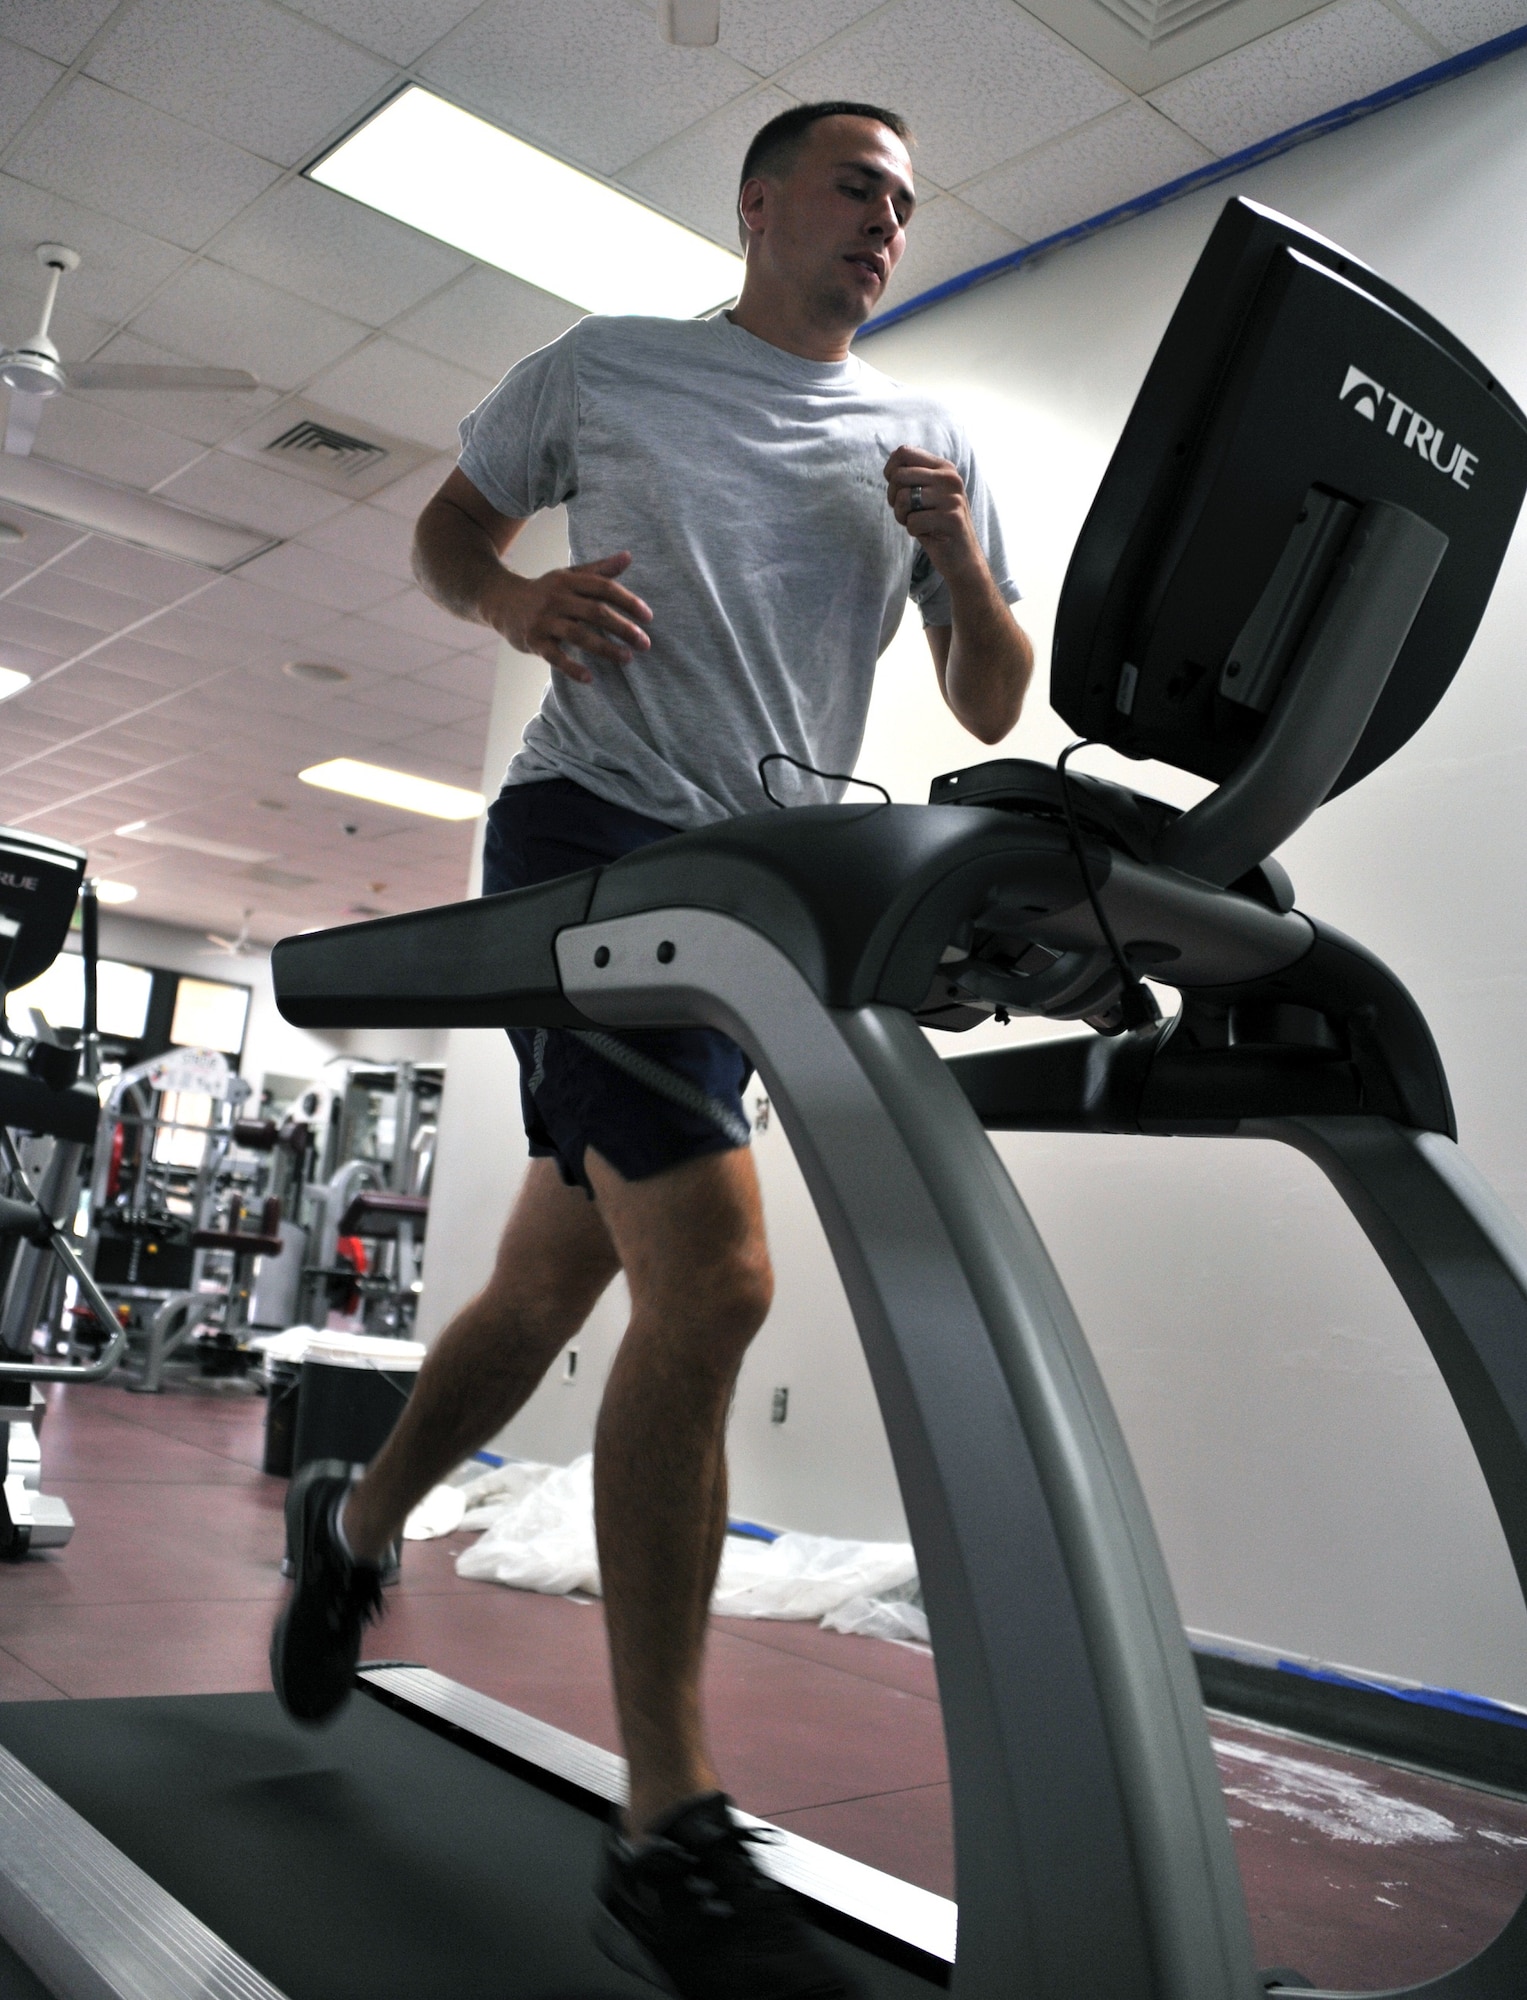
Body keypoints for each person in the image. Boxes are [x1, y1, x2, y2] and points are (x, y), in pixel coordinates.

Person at [271, 99, 1031, 1999]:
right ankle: (666, 1823)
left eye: (907, 207)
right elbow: (453, 530)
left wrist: (968, 568)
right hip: (592, 838)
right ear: (763, 202)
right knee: (720, 1278)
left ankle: (351, 1526)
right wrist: (518, 598)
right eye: (859, 189)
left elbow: (994, 688)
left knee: (550, 1287)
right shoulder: (606, 369)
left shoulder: (924, 443)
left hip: (764, 870)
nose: (886, 224)